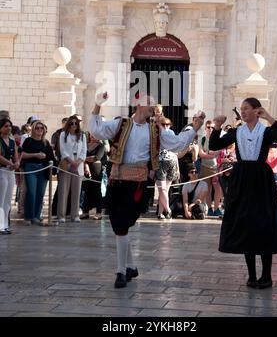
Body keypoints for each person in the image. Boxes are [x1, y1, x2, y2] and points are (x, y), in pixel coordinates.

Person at [89, 91, 205, 289]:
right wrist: (97, 104)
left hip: (138, 183)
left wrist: (196, 126)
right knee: (120, 225)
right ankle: (125, 269)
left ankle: (125, 269)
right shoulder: (121, 124)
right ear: (139, 104)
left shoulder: (156, 130)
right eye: (150, 103)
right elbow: (96, 130)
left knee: (123, 224)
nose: (154, 107)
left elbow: (178, 142)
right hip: (118, 181)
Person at [209, 98, 277, 289]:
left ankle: (267, 276)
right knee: (245, 224)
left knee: (264, 224)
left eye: (246, 108)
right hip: (242, 179)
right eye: (242, 109)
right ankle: (252, 275)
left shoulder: (266, 131)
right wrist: (217, 126)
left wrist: (269, 117)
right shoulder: (237, 131)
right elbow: (214, 145)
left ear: (256, 110)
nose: (243, 112)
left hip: (261, 180)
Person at [22, 121, 55, 225]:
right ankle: (28, 216)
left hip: (43, 169)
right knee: (31, 193)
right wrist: (36, 155)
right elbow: (22, 154)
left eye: (42, 128)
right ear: (33, 129)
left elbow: (51, 156)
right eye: (37, 128)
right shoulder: (28, 141)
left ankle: (36, 216)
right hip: (31, 168)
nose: (40, 130)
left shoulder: (46, 142)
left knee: (40, 194)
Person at [57, 115, 87, 223]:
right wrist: (72, 162)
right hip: (67, 164)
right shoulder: (63, 134)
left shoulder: (82, 136)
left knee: (76, 192)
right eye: (71, 123)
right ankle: (61, 215)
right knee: (63, 191)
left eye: (76, 123)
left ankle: (75, 215)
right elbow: (63, 150)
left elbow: (84, 151)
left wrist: (78, 162)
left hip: (78, 166)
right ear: (68, 124)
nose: (74, 125)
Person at [156, 117, 180, 220]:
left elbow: (175, 151)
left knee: (164, 189)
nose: (166, 126)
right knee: (162, 188)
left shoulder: (171, 133)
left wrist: (178, 168)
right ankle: (166, 210)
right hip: (160, 162)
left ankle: (162, 212)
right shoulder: (158, 134)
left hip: (171, 161)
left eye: (168, 124)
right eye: (163, 124)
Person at [0, 118, 19, 234]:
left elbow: (16, 156)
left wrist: (16, 163)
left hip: (10, 172)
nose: (8, 128)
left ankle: (5, 225)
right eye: (6, 126)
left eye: (10, 126)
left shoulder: (12, 141)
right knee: (1, 199)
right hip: (1, 170)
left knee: (7, 200)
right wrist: (9, 163)